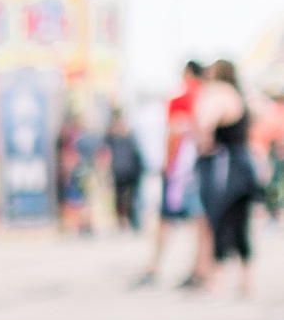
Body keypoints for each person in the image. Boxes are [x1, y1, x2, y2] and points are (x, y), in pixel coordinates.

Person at [190, 60, 257, 296]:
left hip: (225, 166)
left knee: (218, 219)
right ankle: (246, 280)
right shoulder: (238, 94)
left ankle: (217, 281)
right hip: (243, 163)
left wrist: (203, 143)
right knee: (240, 224)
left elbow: (205, 122)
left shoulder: (218, 93)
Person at [140, 60, 204, 285]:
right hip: (203, 167)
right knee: (201, 221)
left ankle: (153, 268)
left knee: (166, 219)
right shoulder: (206, 95)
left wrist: (168, 165)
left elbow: (174, 134)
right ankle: (199, 269)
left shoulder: (180, 98)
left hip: (180, 169)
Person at [101, 110, 146, 231]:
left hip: (130, 172)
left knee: (131, 197)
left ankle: (132, 220)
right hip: (119, 171)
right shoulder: (112, 138)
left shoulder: (130, 138)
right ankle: (122, 220)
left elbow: (137, 155)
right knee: (120, 197)